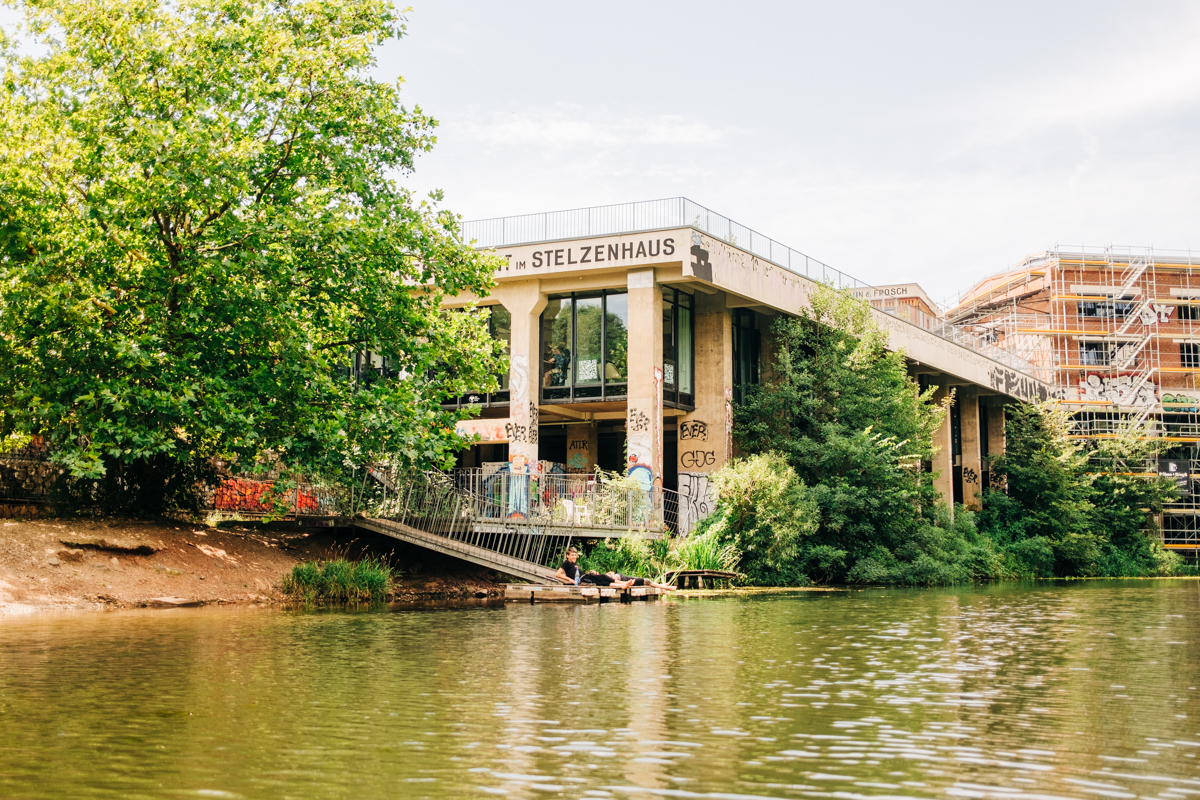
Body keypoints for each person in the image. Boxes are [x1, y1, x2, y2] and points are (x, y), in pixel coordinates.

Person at [556, 547, 633, 589]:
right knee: (603, 578)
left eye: (575, 555)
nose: (574, 557)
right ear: (567, 556)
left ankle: (622, 585)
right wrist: (570, 579)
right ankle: (623, 584)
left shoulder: (574, 563)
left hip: (586, 576)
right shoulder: (566, 563)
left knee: (603, 580)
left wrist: (590, 571)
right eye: (572, 555)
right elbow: (558, 574)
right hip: (583, 579)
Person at [606, 572, 677, 591]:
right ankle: (667, 588)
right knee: (647, 581)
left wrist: (611, 576)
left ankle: (663, 585)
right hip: (625, 580)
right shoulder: (604, 580)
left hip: (622, 577)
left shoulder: (604, 576)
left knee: (647, 581)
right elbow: (615, 582)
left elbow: (611, 572)